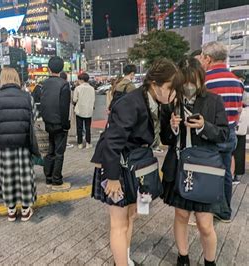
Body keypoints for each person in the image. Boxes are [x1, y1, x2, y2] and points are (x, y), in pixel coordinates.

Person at [91, 59, 182, 266]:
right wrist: (113, 178)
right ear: (154, 84)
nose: (173, 94)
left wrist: (173, 127)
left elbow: (166, 139)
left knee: (131, 216)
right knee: (119, 223)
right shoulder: (130, 103)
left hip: (137, 167)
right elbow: (112, 142)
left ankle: (124, 258)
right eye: (170, 88)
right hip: (118, 167)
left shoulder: (161, 103)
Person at [160, 57, 229, 266]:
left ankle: (210, 262)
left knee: (205, 223)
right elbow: (164, 138)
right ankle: (183, 257)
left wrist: (203, 126)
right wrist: (172, 127)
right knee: (181, 215)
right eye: (185, 82)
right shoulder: (170, 103)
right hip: (179, 166)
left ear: (201, 79)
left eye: (194, 81)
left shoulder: (214, 101)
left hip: (204, 170)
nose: (190, 86)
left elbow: (224, 134)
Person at [200, 41, 244, 222]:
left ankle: (205, 212)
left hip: (210, 134)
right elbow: (239, 109)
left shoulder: (205, 81)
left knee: (205, 172)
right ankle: (225, 212)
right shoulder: (236, 81)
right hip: (230, 132)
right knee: (226, 172)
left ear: (208, 59)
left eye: (203, 58)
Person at [0, 68, 37, 222]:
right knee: (24, 175)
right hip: (23, 143)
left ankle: (11, 211)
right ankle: (25, 210)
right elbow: (34, 117)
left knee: (7, 176)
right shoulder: (27, 96)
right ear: (17, 78)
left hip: (3, 146)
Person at [40, 56, 72, 191]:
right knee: (59, 152)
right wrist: (66, 125)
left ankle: (48, 177)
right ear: (62, 68)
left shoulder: (44, 84)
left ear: (49, 68)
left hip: (48, 122)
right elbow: (64, 108)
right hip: (60, 123)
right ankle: (57, 180)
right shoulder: (64, 84)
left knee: (50, 151)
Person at [73, 72, 95, 149]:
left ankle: (80, 143)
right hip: (88, 110)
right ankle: (88, 143)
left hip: (79, 110)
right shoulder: (92, 88)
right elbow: (93, 100)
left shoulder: (78, 88)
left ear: (81, 80)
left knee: (79, 127)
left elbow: (74, 99)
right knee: (88, 127)